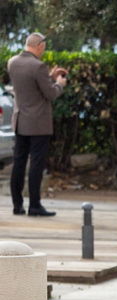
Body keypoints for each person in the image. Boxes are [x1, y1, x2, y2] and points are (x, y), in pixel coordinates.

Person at [6, 32, 67, 217]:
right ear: (40, 45)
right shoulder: (37, 66)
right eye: (44, 48)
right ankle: (34, 205)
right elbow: (50, 94)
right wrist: (59, 83)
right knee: (36, 164)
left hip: (20, 120)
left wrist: (47, 76)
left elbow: (29, 87)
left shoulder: (13, 62)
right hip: (38, 123)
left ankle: (17, 205)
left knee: (19, 162)